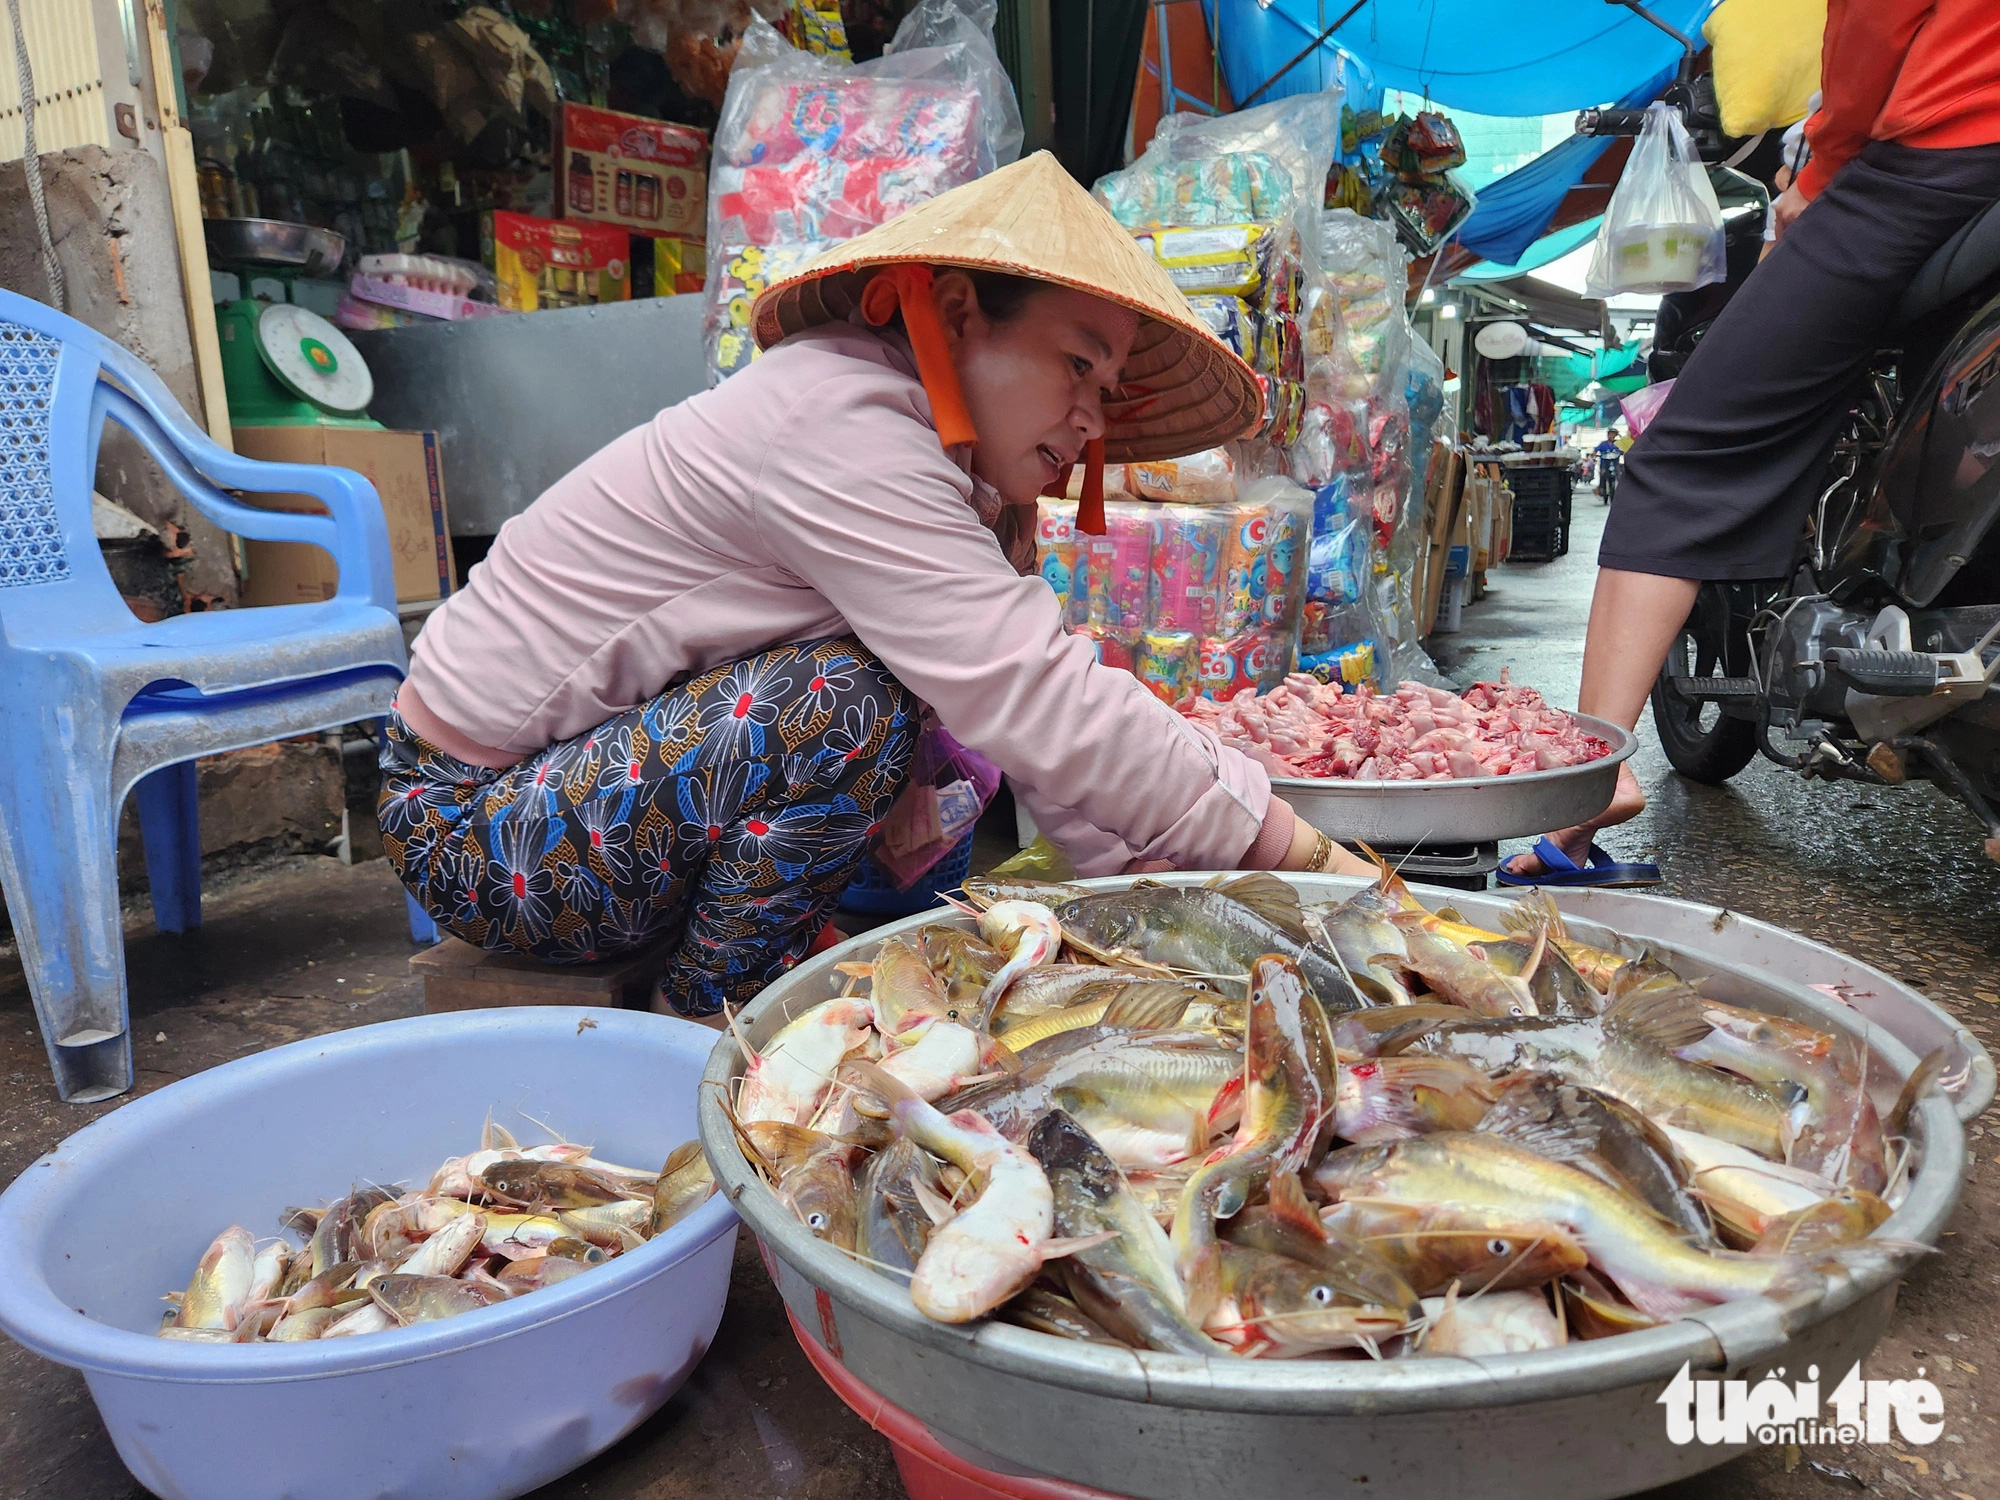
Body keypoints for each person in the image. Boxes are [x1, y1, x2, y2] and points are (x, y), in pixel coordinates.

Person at [378, 151, 1371, 1016]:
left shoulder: (951, 476)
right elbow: (1032, 696)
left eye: (1106, 393)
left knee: (926, 742)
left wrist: (1143, 909)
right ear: (952, 313)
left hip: (588, 794)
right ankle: (704, 1026)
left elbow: (1043, 743)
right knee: (845, 702)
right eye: (1075, 364)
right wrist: (1302, 856)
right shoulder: (840, 419)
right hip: (475, 828)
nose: (1088, 423)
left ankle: (741, 974)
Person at [1501, 0, 2000, 887]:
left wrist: (1818, 169)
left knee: (1680, 458)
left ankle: (1588, 787)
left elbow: (1877, 24)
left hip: (1957, 144)